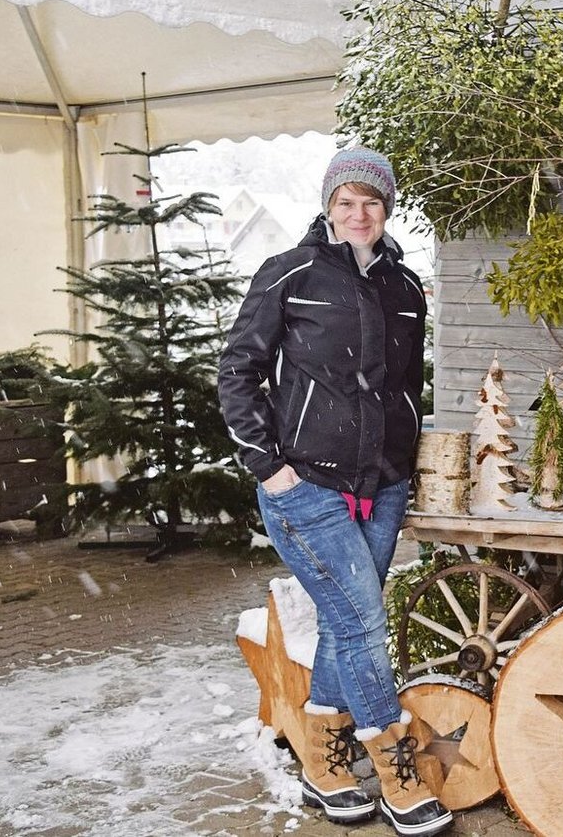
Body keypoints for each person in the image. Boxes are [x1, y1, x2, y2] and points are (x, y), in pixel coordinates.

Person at [218, 147, 452, 837]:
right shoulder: (289, 273)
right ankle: (396, 770)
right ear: (329, 205)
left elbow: (404, 387)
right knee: (363, 623)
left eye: (372, 202)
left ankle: (322, 762)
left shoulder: (406, 288)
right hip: (305, 486)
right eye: (346, 201)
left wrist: (404, 464)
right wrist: (269, 466)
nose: (359, 213)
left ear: (386, 210)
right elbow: (237, 370)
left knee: (347, 624)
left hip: (381, 486)